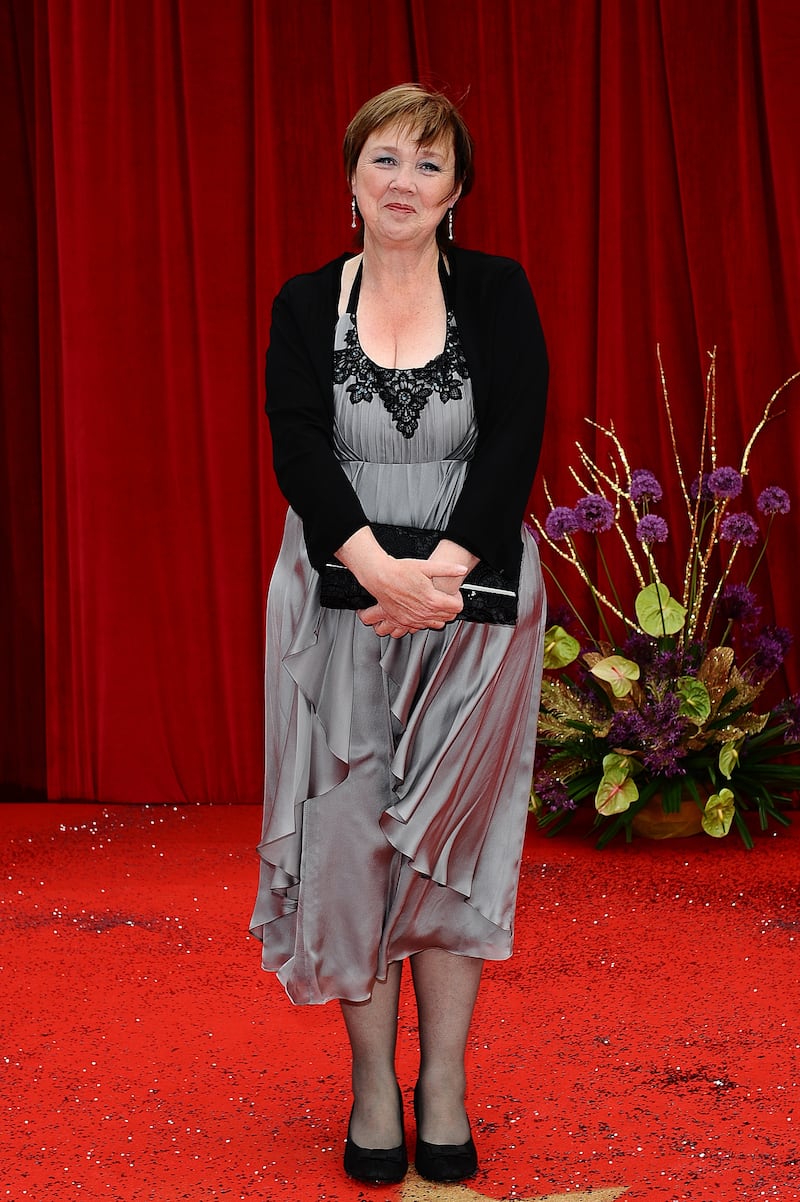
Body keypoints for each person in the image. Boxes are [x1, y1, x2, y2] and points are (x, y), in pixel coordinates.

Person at [250, 83, 548, 1186]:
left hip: (472, 609)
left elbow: (517, 430)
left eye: (426, 165)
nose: (402, 184)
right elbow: (296, 441)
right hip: (338, 599)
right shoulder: (299, 303)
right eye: (383, 161)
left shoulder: (499, 291)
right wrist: (371, 560)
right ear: (349, 181)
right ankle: (373, 1088)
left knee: (453, 854)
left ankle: (443, 1086)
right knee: (348, 847)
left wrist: (447, 571)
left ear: (456, 189)